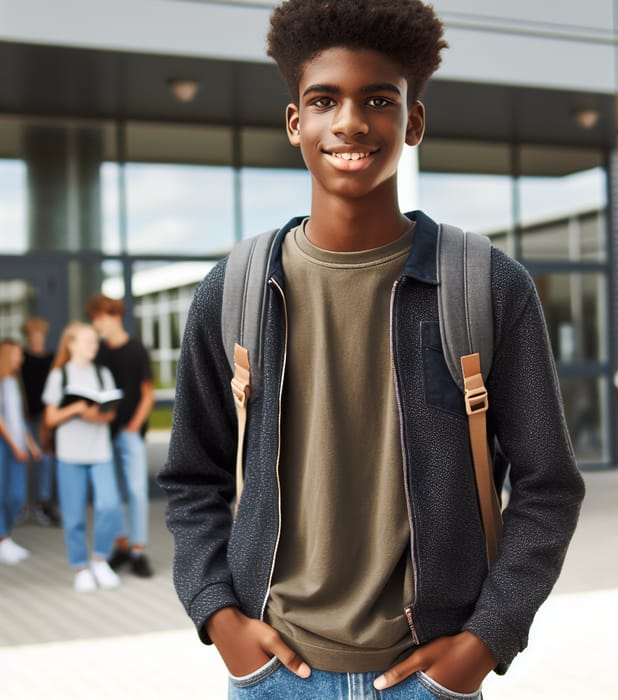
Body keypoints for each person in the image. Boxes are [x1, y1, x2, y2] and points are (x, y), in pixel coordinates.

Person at [158, 1, 585, 698]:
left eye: (378, 100)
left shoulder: (485, 286)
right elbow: (190, 477)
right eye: (324, 100)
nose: (350, 122)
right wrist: (219, 617)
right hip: (274, 675)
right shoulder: (233, 289)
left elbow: (548, 486)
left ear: (412, 122)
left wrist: (485, 641)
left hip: (430, 675)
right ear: (295, 121)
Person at [42, 321, 123, 592]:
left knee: (110, 505)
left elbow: (110, 413)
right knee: (74, 515)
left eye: (95, 341)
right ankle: (80, 567)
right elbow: (50, 418)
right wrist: (77, 408)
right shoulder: (59, 376)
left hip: (100, 452)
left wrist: (99, 415)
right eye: (88, 341)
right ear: (71, 344)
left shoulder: (103, 374)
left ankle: (100, 558)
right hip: (69, 455)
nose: (94, 346)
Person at [85, 294, 155, 578]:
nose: (96, 325)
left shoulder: (137, 350)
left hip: (130, 434)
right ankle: (122, 546)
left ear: (114, 315)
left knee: (137, 491)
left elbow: (148, 395)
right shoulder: (98, 353)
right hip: (103, 433)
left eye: (99, 319)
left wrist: (133, 426)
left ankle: (138, 550)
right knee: (113, 495)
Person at [0, 339, 41, 565]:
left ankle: (5, 536)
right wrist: (15, 447)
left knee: (16, 495)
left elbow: (18, 420)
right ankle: (3, 540)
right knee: (1, 494)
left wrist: (31, 445)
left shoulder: (14, 381)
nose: (21, 359)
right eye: (17, 354)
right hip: (4, 447)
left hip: (17, 448)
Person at [20, 316, 60, 526]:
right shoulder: (22, 359)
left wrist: (49, 418)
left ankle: (43, 503)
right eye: (32, 335)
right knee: (22, 459)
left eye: (39, 334)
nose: (36, 338)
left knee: (46, 459)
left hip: (45, 417)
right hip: (24, 417)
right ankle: (22, 503)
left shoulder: (51, 359)